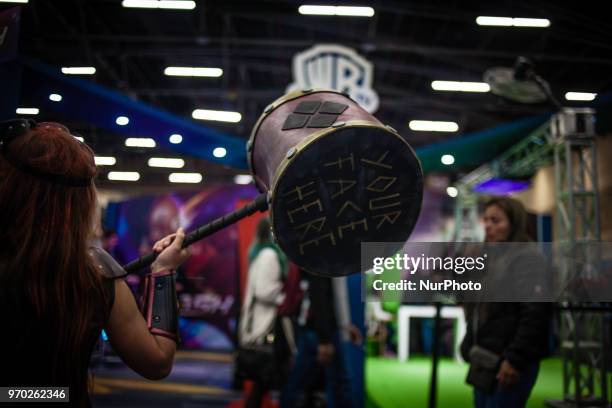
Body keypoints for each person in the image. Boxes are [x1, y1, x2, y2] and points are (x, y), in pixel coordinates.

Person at [0, 120, 190, 407]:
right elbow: (157, 361)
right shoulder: (95, 272)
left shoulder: (97, 271)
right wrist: (163, 273)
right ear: (80, 202)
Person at [460, 196, 552, 408]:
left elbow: (535, 313)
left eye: (496, 220)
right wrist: (469, 342)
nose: (489, 226)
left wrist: (515, 359)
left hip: (508, 363)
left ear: (514, 223)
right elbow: (479, 308)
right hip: (484, 359)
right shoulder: (489, 258)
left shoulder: (527, 258)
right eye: (486, 220)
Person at [238, 217, 288, 408]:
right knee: (265, 377)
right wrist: (284, 296)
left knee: (262, 381)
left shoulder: (259, 253)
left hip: (259, 322)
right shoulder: (270, 255)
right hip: (266, 322)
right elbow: (264, 290)